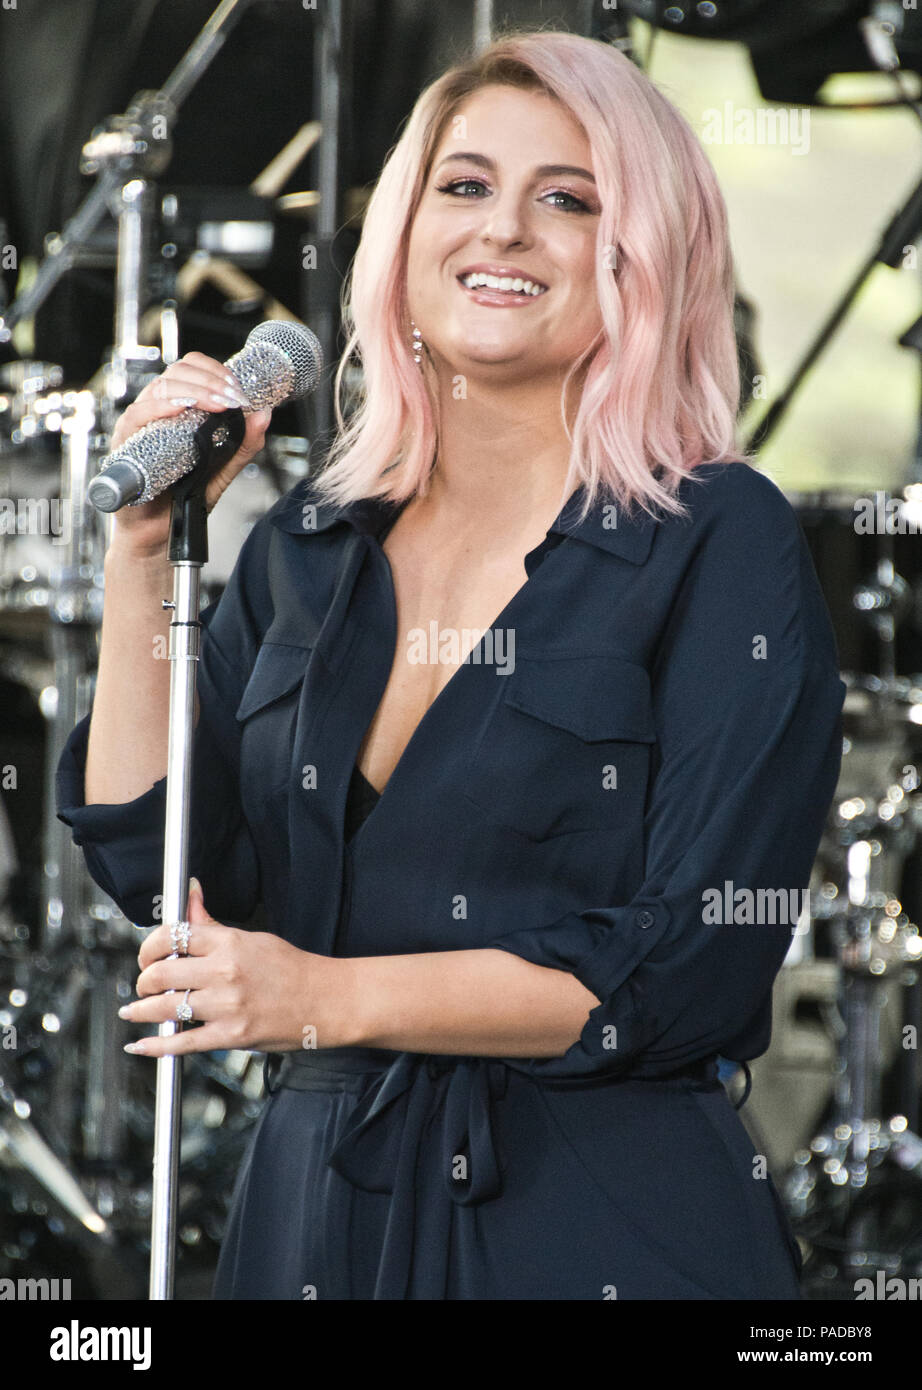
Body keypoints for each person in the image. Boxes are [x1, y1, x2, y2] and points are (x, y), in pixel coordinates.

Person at [56, 30, 846, 1300]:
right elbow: (157, 860)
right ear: (403, 230)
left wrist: (323, 992)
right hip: (311, 1219)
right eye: (464, 186)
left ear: (642, 255)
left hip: (592, 1224)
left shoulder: (715, 534)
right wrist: (145, 554)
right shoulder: (312, 545)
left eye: (568, 198)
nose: (505, 233)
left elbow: (678, 964)